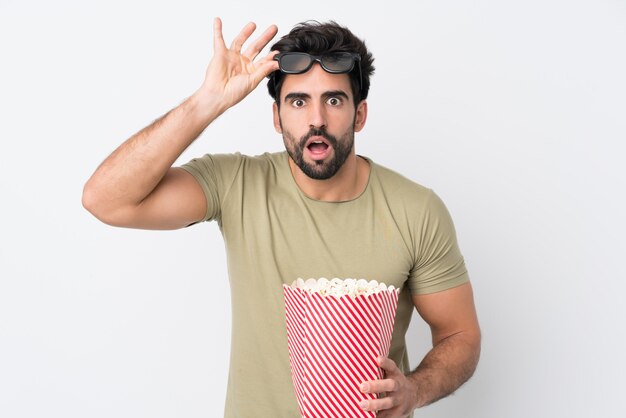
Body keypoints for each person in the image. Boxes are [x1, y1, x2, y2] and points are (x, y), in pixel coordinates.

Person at [83, 17, 481, 418]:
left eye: (334, 100)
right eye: (298, 101)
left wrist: (414, 389)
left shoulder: (416, 210)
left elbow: (460, 335)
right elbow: (106, 200)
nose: (317, 120)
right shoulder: (236, 183)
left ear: (359, 115)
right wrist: (208, 101)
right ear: (277, 118)